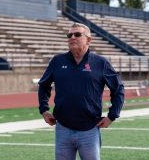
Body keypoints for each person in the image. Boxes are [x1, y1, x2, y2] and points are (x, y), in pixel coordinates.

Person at [38, 22, 124, 160]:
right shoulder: (57, 61)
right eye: (69, 35)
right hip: (62, 128)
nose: (72, 37)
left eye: (77, 34)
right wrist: (44, 109)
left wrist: (112, 115)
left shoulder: (100, 63)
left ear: (89, 39)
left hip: (90, 129)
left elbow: (118, 88)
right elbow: (44, 85)